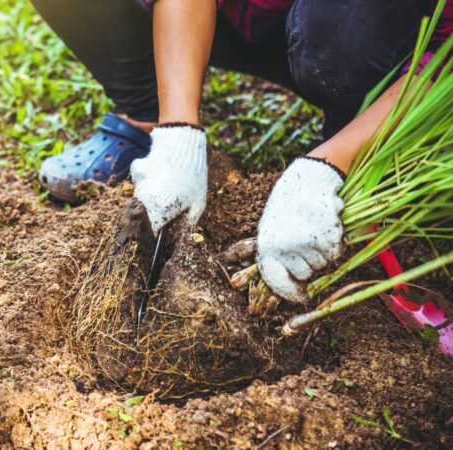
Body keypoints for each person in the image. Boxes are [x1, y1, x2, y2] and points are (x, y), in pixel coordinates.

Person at [33, 0, 452, 302]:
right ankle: (146, 115)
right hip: (253, 18)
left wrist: (331, 164)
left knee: (337, 31)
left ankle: (353, 129)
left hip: (375, 46)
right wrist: (178, 131)